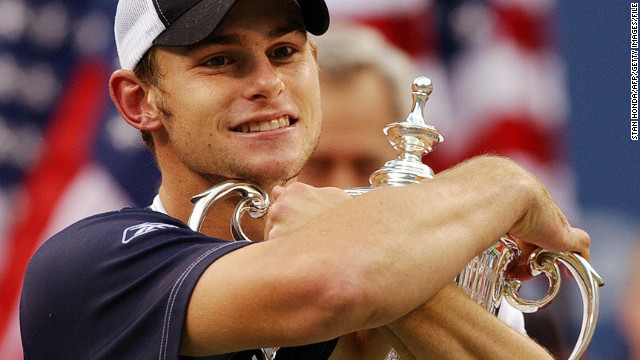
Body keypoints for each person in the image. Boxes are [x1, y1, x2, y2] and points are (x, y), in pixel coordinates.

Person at [19, 0, 591, 359]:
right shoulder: (86, 269)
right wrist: (506, 183)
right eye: (220, 59)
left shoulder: (420, 261)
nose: (268, 81)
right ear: (138, 100)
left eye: (285, 50)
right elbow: (335, 285)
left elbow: (353, 274)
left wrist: (376, 249)